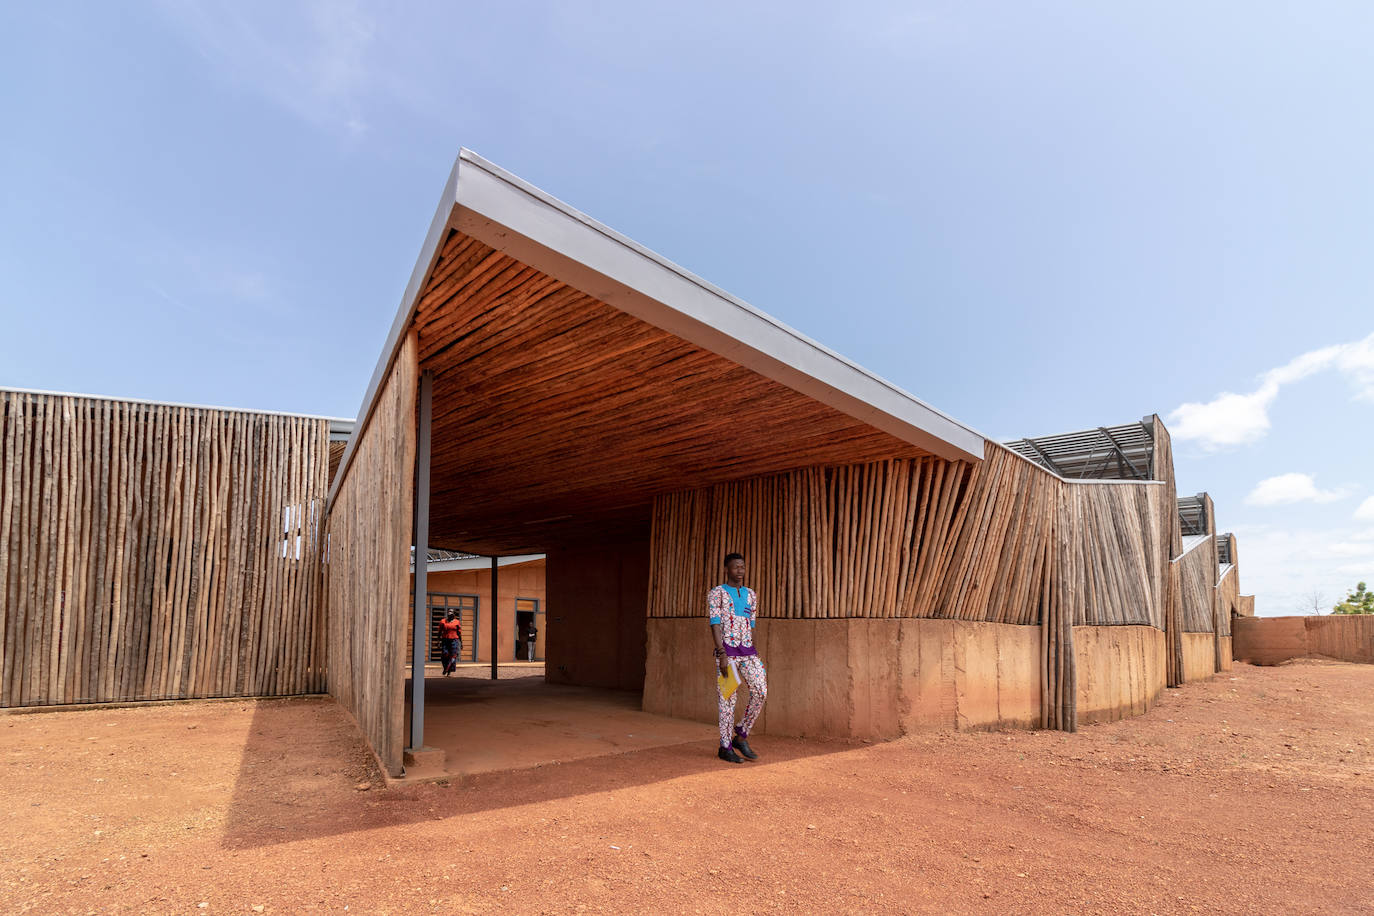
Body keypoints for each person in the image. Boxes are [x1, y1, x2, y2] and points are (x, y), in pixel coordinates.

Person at [708, 552, 766, 763]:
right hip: (727, 652)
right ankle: (725, 746)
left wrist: (755, 653)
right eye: (735, 567)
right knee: (728, 699)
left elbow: (752, 624)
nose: (740, 571)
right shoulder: (717, 593)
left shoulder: (751, 594)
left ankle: (741, 734)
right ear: (727, 570)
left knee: (760, 690)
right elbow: (714, 623)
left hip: (748, 651)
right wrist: (721, 653)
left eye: (742, 567)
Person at [437, 610, 462, 676]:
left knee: (453, 655)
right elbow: (439, 632)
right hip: (445, 640)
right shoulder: (443, 621)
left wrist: (461, 642)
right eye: (449, 613)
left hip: (454, 640)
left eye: (451, 613)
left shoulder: (457, 622)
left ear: (454, 615)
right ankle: (446, 667)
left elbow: (459, 633)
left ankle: (448, 669)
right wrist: (438, 641)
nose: (450, 614)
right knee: (445, 654)